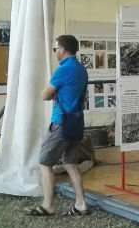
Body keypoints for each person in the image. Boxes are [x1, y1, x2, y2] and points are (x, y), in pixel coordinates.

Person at [24, 35, 90, 217]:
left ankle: (48, 206)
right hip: (76, 122)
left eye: (55, 49)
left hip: (61, 123)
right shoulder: (81, 69)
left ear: (62, 50)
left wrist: (53, 94)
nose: (55, 53)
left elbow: (45, 95)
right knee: (71, 163)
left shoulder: (63, 69)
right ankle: (81, 204)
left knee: (45, 162)